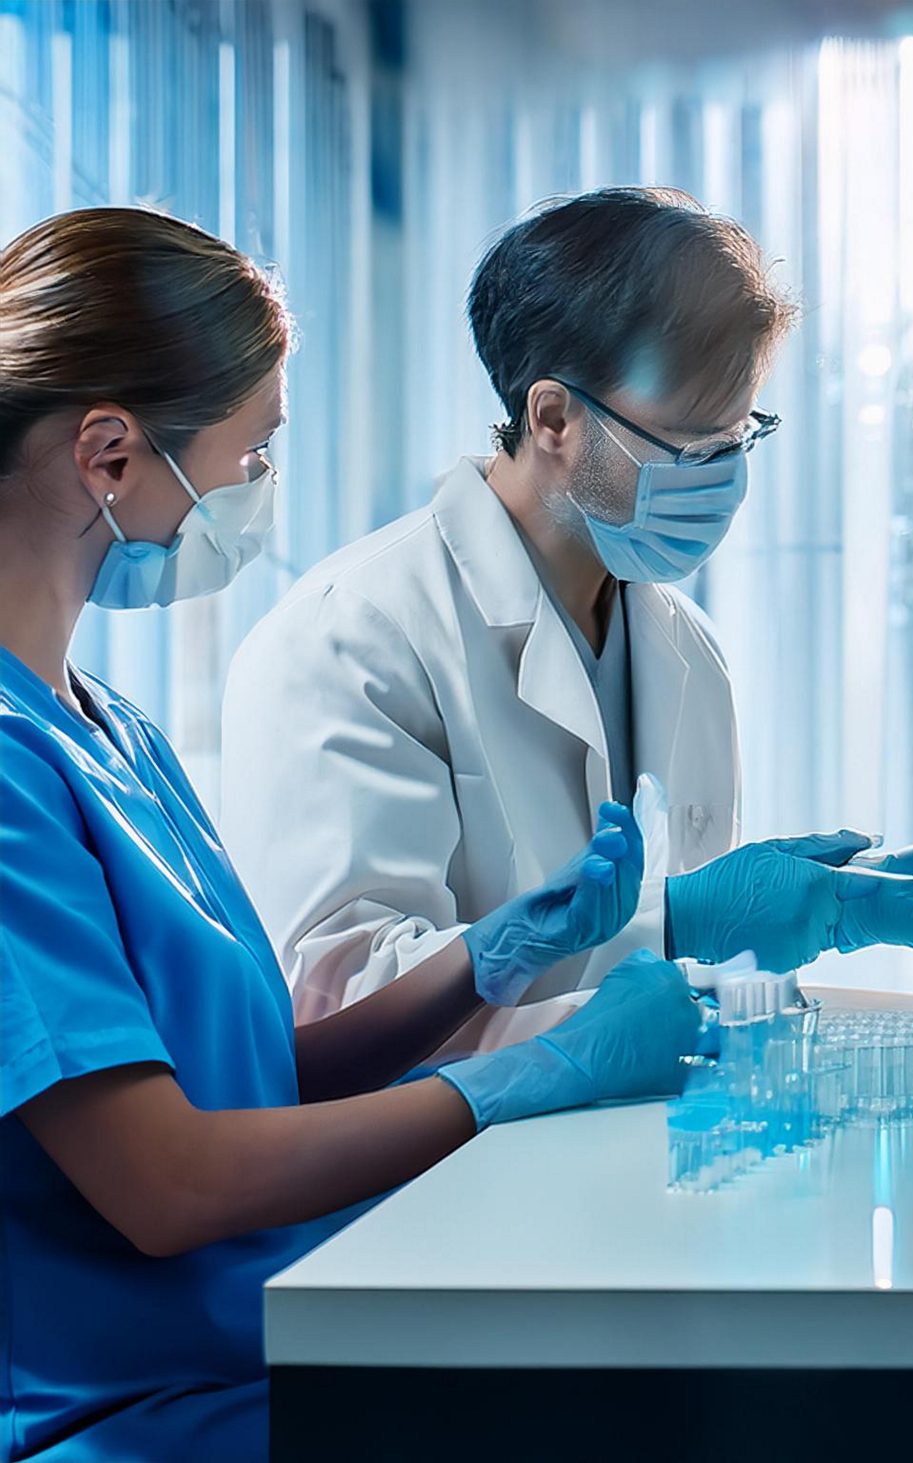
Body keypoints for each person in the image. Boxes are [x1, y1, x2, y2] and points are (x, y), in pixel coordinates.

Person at [0, 208, 700, 1461]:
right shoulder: (11, 769)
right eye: (254, 451)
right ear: (109, 453)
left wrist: (480, 961)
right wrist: (522, 1077)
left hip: (267, 1339)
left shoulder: (110, 726)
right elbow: (167, 1181)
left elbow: (252, 1074)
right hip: (137, 1413)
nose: (260, 488)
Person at [222, 187, 913, 1056]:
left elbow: (678, 996)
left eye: (738, 439)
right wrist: (678, 921)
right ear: (553, 417)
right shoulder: (355, 637)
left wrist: (836, 906)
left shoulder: (684, 646)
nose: (722, 477)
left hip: (637, 1133)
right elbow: (339, 1007)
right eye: (689, 444)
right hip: (454, 1146)